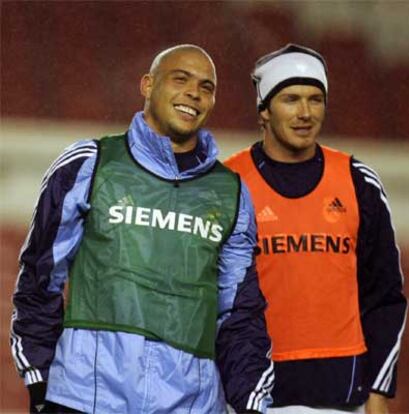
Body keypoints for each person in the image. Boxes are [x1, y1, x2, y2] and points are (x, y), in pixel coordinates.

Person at [10, 44, 274, 414]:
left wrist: (250, 403)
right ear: (148, 85)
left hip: (192, 406)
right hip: (85, 401)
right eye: (180, 79)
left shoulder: (230, 193)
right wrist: (39, 381)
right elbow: (40, 278)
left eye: (206, 86)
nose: (194, 93)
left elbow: (239, 314)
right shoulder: (89, 164)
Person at [225, 44, 408, 414]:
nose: (305, 113)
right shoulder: (227, 183)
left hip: (343, 396)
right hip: (252, 397)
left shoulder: (359, 183)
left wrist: (378, 389)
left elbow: (385, 297)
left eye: (316, 99)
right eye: (291, 99)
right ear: (264, 110)